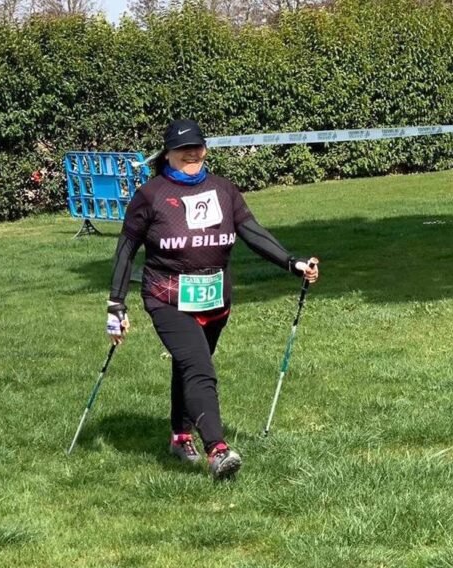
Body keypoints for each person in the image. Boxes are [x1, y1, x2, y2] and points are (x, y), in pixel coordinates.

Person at [106, 119, 319, 481]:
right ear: (168, 153)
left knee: (187, 366)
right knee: (200, 368)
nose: (192, 154)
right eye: (182, 148)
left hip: (215, 300)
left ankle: (179, 436)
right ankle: (218, 450)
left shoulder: (223, 190)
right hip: (167, 298)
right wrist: (116, 303)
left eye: (197, 147)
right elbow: (126, 250)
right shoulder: (151, 195)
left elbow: (252, 232)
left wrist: (291, 261)